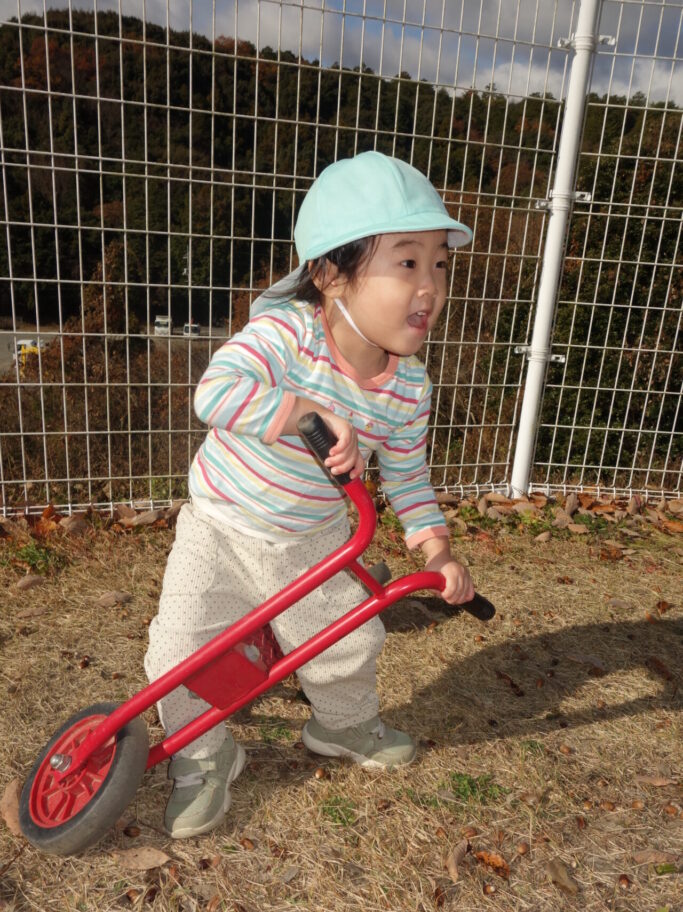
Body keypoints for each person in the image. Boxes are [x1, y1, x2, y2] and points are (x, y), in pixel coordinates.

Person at [144, 150, 475, 838]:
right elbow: (214, 393)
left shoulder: (408, 389)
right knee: (178, 651)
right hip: (222, 524)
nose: (430, 286)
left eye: (440, 264)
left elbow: (408, 478)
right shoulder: (285, 335)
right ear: (329, 275)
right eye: (406, 262)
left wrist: (437, 552)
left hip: (315, 538)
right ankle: (202, 756)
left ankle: (342, 726)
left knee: (346, 640)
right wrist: (302, 412)